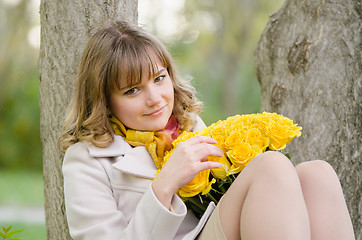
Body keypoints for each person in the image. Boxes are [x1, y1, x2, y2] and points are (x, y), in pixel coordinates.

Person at [58, 20, 355, 240]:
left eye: (159, 79)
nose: (155, 99)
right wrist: (165, 184)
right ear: (105, 101)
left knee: (317, 173)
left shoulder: (190, 128)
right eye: (133, 90)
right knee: (271, 167)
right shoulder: (86, 159)